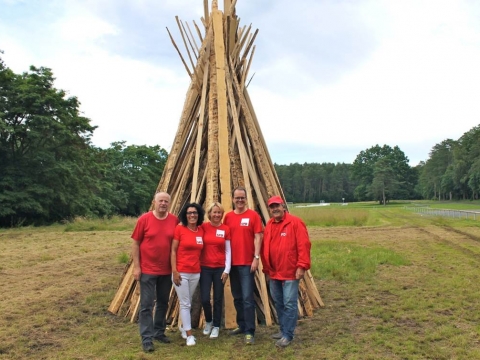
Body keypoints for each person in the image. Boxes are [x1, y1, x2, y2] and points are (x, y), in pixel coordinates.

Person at [261, 195, 311, 348]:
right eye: (272, 207)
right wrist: (267, 268)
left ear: (283, 206)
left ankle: (288, 335)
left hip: (290, 271)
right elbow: (266, 248)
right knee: (279, 302)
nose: (275, 209)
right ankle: (283, 330)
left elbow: (304, 245)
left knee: (289, 303)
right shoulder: (269, 224)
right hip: (274, 272)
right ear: (269, 209)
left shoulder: (295, 222)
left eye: (277, 206)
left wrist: (301, 266)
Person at [131, 191, 179, 353]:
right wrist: (137, 267)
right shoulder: (144, 219)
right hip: (148, 269)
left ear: (169, 204)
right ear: (154, 202)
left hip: (166, 270)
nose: (163, 204)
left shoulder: (174, 220)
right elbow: (135, 244)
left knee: (163, 302)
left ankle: (159, 332)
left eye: (166, 201)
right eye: (161, 201)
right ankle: (147, 338)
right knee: (146, 305)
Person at [223, 187, 263, 345]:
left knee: (247, 298)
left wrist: (256, 257)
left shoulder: (253, 216)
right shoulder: (228, 217)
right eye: (237, 198)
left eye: (242, 198)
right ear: (233, 199)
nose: (240, 200)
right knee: (238, 297)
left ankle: (250, 331)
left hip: (247, 264)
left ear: (246, 199)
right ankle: (242, 325)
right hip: (232, 264)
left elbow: (258, 237)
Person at [171, 202, 205, 346]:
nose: (192, 215)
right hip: (181, 272)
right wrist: (175, 271)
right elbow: (173, 251)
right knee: (185, 303)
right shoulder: (180, 229)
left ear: (199, 215)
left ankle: (184, 328)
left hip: (195, 272)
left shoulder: (201, 230)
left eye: (195, 213)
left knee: (188, 301)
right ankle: (189, 335)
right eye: (189, 213)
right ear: (185, 215)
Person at [199, 202, 232, 339]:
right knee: (205, 298)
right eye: (214, 212)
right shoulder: (203, 227)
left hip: (220, 269)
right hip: (205, 268)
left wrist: (227, 270)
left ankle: (216, 326)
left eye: (219, 212)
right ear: (209, 214)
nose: (217, 215)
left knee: (218, 298)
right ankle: (208, 321)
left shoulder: (225, 229)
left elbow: (228, 251)